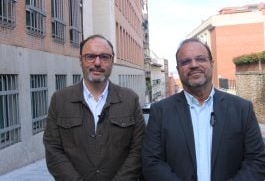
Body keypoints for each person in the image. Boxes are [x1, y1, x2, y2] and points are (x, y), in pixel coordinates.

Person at [142, 38, 265, 181]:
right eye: (186, 62)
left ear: (211, 64)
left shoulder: (242, 109)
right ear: (178, 69)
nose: (194, 65)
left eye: (200, 59)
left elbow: (256, 161)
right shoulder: (161, 111)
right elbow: (151, 162)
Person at [43, 34, 145, 181]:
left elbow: (138, 150)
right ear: (80, 60)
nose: (97, 63)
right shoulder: (60, 100)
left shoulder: (130, 100)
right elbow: (53, 149)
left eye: (104, 57)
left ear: (112, 61)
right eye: (90, 56)